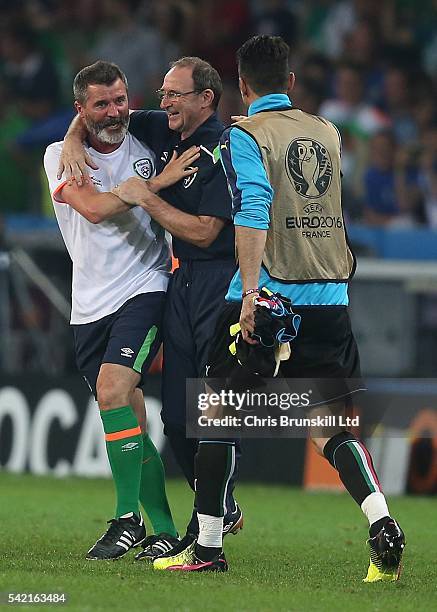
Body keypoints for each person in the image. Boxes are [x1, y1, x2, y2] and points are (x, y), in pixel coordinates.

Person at [154, 35, 406, 582]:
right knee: (332, 426)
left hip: (269, 298)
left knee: (218, 416)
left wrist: (247, 295)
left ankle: (209, 546)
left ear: (241, 87)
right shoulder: (329, 132)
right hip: (332, 297)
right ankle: (381, 520)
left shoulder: (245, 134)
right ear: (291, 83)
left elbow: (255, 209)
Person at [58, 56, 243, 561]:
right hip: (90, 303)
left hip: (149, 286)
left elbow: (207, 224)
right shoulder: (62, 154)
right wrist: (152, 185)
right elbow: (93, 209)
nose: (117, 111)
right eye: (103, 104)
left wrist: (149, 186)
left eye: (122, 99)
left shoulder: (151, 140)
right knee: (130, 414)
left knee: (116, 389)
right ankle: (160, 527)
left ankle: (125, 519)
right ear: (82, 109)